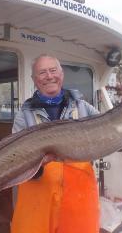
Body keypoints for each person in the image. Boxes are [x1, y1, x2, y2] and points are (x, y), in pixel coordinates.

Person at [11, 54, 100, 233]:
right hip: (38, 202)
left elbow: (112, 135)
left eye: (53, 70)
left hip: (79, 202)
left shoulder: (84, 108)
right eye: (42, 72)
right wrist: (37, 168)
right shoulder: (24, 116)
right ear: (34, 80)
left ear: (62, 74)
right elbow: (16, 163)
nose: (49, 76)